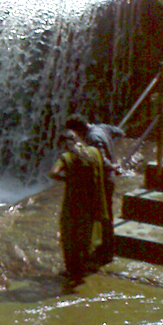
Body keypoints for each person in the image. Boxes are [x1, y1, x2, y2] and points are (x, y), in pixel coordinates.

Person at [49, 129, 110, 279]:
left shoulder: (66, 157)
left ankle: (73, 270)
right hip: (94, 201)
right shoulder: (94, 152)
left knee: (70, 235)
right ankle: (85, 264)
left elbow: (53, 173)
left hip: (74, 203)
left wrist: (68, 179)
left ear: (65, 144)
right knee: (87, 233)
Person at [64, 114, 125, 265]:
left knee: (103, 213)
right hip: (108, 177)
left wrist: (112, 166)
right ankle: (104, 245)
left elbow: (101, 158)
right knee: (105, 212)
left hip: (103, 179)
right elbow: (120, 132)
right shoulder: (102, 127)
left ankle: (107, 248)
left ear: (77, 130)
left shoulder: (92, 138)